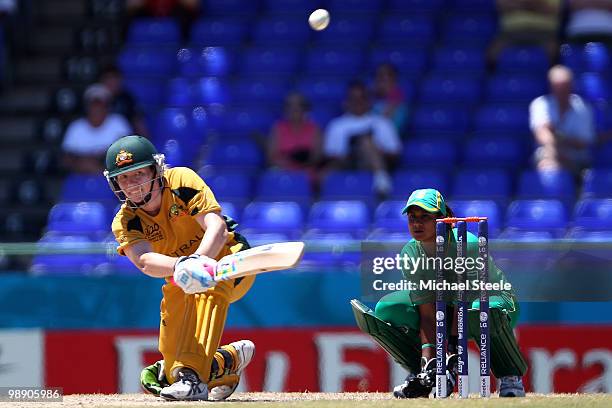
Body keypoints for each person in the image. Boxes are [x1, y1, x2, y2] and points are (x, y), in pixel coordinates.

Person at [104, 135, 255, 401]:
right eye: (124, 178)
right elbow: (144, 261)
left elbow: (216, 228)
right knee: (173, 371)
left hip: (227, 261)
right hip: (182, 274)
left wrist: (199, 261)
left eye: (139, 173)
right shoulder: (125, 220)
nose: (133, 184)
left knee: (209, 283)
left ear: (156, 169)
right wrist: (183, 265)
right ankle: (226, 362)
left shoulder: (181, 180)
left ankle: (194, 380)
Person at [352, 188, 528, 398]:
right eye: (412, 217)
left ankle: (509, 376)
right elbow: (426, 313)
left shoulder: (467, 245)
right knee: (388, 308)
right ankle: (424, 373)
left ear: (443, 219)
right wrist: (431, 360)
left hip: (494, 303)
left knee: (482, 309)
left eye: (425, 217)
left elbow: (461, 305)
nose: (417, 223)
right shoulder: (411, 252)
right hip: (444, 309)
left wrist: (453, 356)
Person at [323, 81, 402, 196]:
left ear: (368, 101)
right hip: (347, 165)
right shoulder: (336, 125)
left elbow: (394, 153)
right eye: (354, 98)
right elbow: (330, 155)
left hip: (376, 162)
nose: (358, 102)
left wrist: (376, 151)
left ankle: (381, 181)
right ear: (347, 101)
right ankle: (381, 181)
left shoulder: (382, 123)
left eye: (362, 98)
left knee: (366, 142)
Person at [529, 65, 596, 174]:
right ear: (551, 87)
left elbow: (583, 142)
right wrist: (556, 148)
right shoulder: (540, 104)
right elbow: (541, 133)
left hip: (576, 159)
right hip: (547, 154)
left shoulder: (584, 108)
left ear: (571, 86)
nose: (561, 91)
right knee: (548, 167)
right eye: (557, 87)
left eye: (564, 87)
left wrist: (557, 137)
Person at [62, 83, 132, 174]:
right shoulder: (76, 127)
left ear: (108, 107)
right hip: (81, 175)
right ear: (87, 107)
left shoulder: (118, 123)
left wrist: (99, 162)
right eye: (93, 104)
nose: (97, 109)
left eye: (101, 104)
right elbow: (66, 158)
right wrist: (86, 163)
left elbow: (129, 152)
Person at [267, 92, 322, 181]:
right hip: (282, 169)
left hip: (307, 171)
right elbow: (271, 157)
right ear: (285, 109)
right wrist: (288, 164)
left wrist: (301, 162)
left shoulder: (315, 129)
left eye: (298, 105)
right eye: (290, 106)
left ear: (305, 108)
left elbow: (316, 157)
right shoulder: (277, 129)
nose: (294, 109)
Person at [488, 0, 562, 64]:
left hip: (544, 32)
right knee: (492, 53)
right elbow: (502, 6)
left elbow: (554, 9)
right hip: (512, 32)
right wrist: (534, 5)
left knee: (555, 51)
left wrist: (519, 4)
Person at [99, 65, 149, 138]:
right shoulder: (95, 99)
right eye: (108, 79)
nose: (111, 82)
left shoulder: (127, 99)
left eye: (114, 78)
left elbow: (138, 123)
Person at [371, 63, 409, 135]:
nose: (380, 82)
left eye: (384, 78)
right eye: (379, 77)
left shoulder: (399, 103)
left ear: (394, 80)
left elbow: (387, 126)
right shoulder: (369, 99)